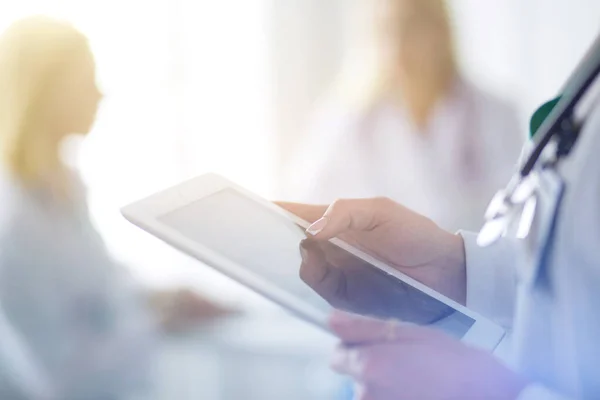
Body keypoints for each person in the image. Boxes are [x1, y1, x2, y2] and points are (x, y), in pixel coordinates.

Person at [278, 33, 600, 400]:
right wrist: (454, 265)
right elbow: (569, 274)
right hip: (438, 320)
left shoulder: (490, 109)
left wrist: (494, 392)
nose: (405, 39)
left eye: (419, 23)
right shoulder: (349, 115)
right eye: (393, 25)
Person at [0, 16, 230, 400]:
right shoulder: (14, 219)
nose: (99, 94)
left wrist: (161, 298)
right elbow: (56, 375)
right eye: (85, 79)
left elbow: (97, 286)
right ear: (46, 90)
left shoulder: (63, 186)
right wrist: (158, 321)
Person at [285, 0, 523, 232]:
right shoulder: (347, 120)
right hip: (372, 269)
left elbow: (514, 214)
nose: (398, 43)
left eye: (411, 26)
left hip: (467, 268)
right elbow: (306, 207)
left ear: (440, 30)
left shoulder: (495, 115)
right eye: (387, 27)